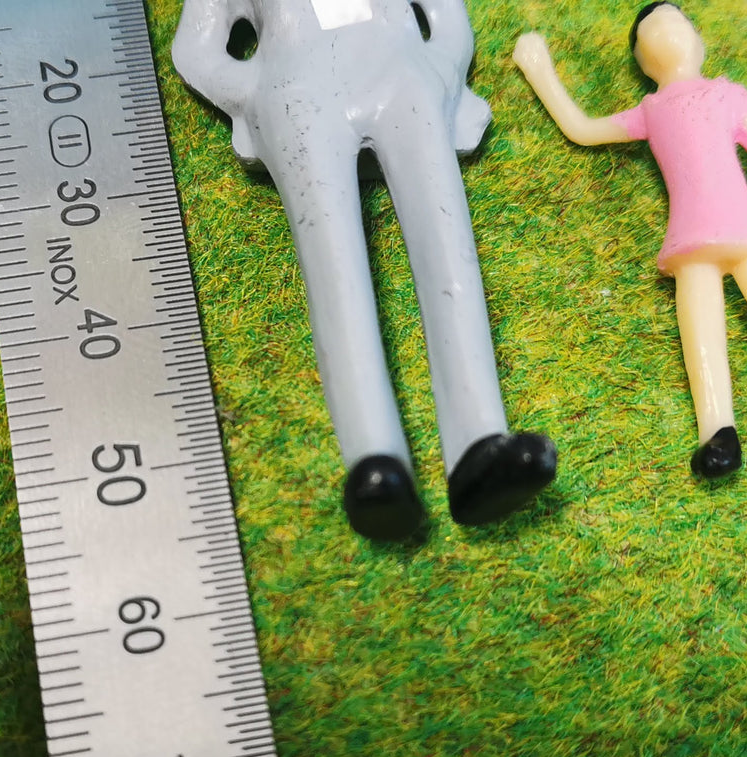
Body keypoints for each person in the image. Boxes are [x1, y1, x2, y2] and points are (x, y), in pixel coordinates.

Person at [172, 0, 556, 540]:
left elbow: (445, 14)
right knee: (334, 266)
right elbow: (196, 48)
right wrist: (257, 91)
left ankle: (480, 442)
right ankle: (374, 460)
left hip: (402, 78)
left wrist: (439, 65)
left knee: (447, 243)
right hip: (299, 93)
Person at [515, 2, 747, 479]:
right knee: (701, 336)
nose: (668, 35)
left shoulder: (730, 96)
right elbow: (583, 129)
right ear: (642, 61)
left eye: (676, 23)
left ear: (698, 41)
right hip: (692, 239)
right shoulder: (650, 111)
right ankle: (718, 432)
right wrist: (540, 71)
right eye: (652, 33)